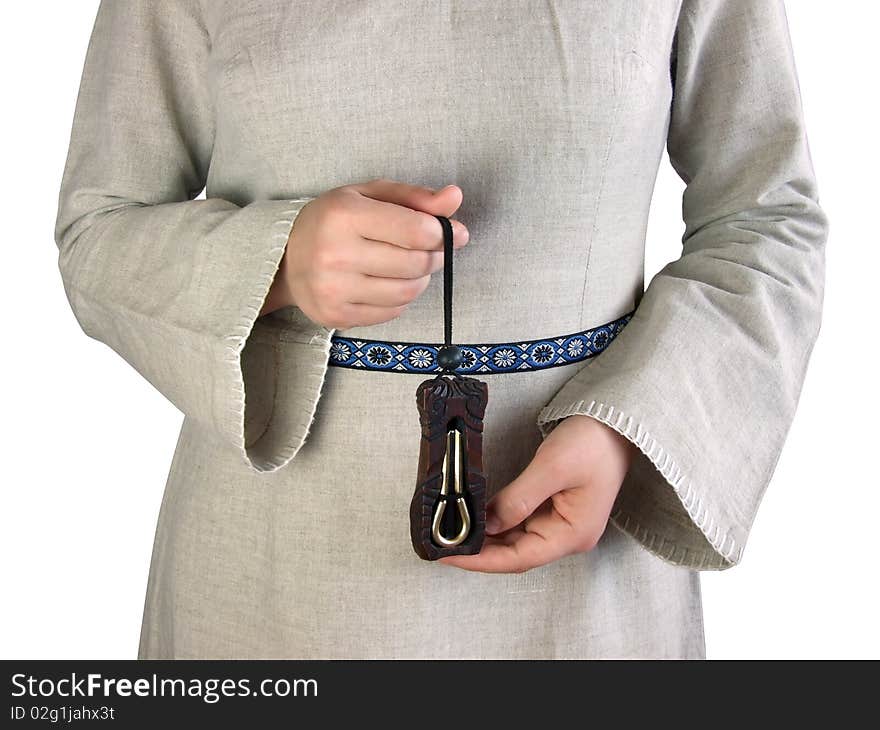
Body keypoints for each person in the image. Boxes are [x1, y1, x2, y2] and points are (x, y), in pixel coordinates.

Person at [54, 0, 828, 658]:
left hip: (588, 588)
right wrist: (279, 260)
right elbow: (97, 231)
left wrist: (628, 427)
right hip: (272, 583)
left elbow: (766, 217)